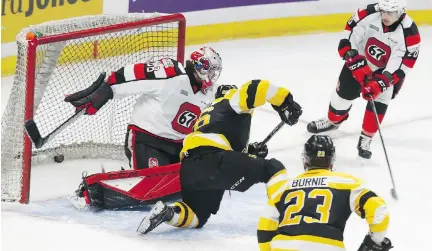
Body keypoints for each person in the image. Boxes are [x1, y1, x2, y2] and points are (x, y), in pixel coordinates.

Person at [65, 47, 236, 210]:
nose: (211, 75)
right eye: (208, 69)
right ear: (196, 64)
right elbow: (135, 73)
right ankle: (95, 188)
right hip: (148, 140)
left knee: (186, 187)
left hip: (181, 146)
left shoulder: (212, 92)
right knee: (152, 189)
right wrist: (106, 89)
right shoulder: (171, 73)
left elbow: (218, 123)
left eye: (214, 71)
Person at [136, 79, 303, 234]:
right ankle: (289, 216)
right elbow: (258, 87)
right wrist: (284, 102)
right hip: (214, 160)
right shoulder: (230, 100)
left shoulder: (206, 115)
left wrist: (250, 152)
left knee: (197, 216)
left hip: (189, 168)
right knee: (273, 169)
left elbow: (219, 143)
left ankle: (168, 213)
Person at [307, 0, 421, 159]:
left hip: (384, 72)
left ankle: (366, 137)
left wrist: (380, 82)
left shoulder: (410, 33)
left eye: (390, 12)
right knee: (340, 98)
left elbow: (403, 64)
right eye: (383, 10)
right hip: (359, 63)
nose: (385, 15)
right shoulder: (366, 13)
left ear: (401, 10)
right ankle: (333, 121)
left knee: (381, 99)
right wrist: (352, 58)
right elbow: (349, 35)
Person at [257, 134, 392, 251]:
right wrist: (375, 242)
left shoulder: (283, 188)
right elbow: (379, 211)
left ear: (305, 160)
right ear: (331, 161)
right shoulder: (347, 183)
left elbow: (264, 228)